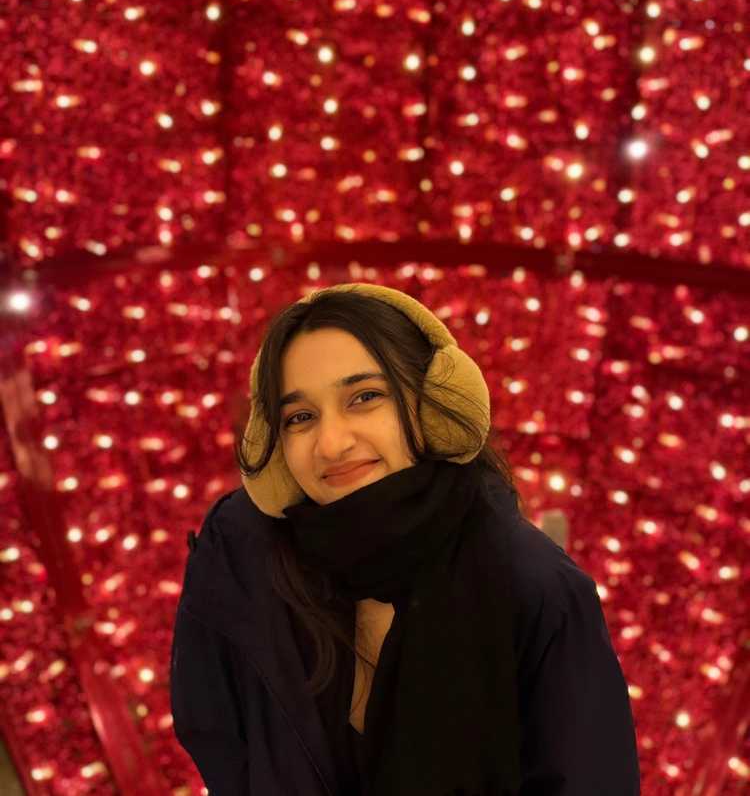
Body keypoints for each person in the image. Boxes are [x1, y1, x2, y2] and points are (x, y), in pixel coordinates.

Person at [170, 282, 641, 796]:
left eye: (365, 397)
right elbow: (214, 733)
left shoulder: (539, 589)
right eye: (300, 417)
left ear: (434, 402)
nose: (332, 443)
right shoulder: (239, 557)